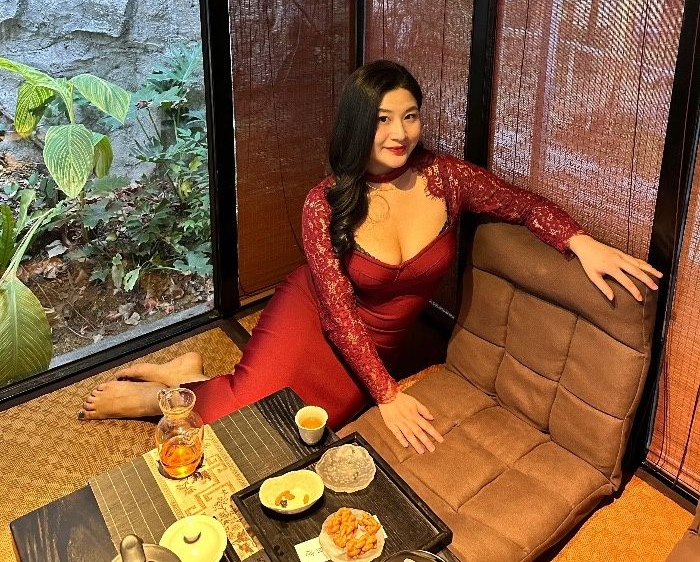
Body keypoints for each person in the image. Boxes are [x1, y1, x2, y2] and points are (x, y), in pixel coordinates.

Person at [79, 61, 662, 455]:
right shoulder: (325, 201)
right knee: (243, 414)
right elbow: (337, 314)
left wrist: (581, 242)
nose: (399, 132)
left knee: (293, 433)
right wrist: (389, 395)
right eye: (382, 119)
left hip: (376, 343)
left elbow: (521, 204)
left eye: (409, 115)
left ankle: (187, 373)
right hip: (317, 317)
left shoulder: (447, 179)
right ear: (359, 125)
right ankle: (165, 393)